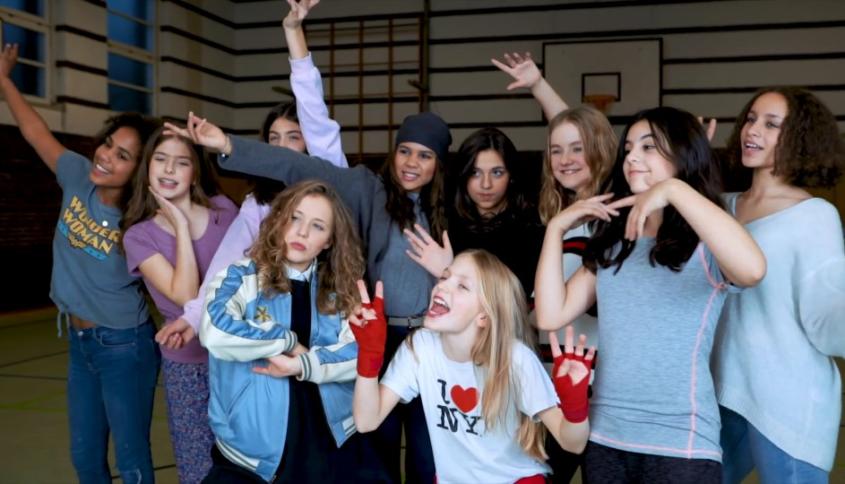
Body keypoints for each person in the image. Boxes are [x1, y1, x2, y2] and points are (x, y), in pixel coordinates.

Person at [171, 107, 452, 483]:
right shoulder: (367, 189)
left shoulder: (449, 208)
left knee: (429, 453)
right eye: (405, 151)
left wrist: (448, 270)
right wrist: (227, 144)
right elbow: (298, 165)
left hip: (429, 341)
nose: (412, 162)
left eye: (424, 155)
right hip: (378, 331)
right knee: (378, 442)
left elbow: (481, 278)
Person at [535, 106, 766, 483]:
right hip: (605, 438)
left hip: (681, 443)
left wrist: (673, 189)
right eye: (628, 149)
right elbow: (550, 314)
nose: (631, 158)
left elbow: (753, 270)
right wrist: (556, 229)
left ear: (683, 155)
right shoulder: (612, 243)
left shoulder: (705, 241)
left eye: (648, 147)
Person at [0, 43, 161, 483]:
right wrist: (4, 81)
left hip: (124, 345)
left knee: (131, 461)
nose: (105, 156)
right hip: (80, 341)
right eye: (108, 144)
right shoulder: (76, 176)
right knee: (86, 459)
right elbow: (35, 131)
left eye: (122, 156)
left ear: (139, 171)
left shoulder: (143, 222)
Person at [155, 0, 348, 352]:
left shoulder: (332, 177)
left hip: (328, 327)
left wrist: (293, 33)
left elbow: (315, 112)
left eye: (293, 137)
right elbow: (225, 262)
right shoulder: (259, 204)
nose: (282, 147)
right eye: (274, 139)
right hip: (276, 329)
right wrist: (193, 318)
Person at [351, 249, 595, 484]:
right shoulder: (420, 346)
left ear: (483, 316)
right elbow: (366, 421)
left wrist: (574, 405)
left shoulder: (516, 360)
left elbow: (573, 444)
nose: (442, 286)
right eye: (445, 277)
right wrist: (369, 356)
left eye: (462, 286)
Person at [712, 87, 845, 483]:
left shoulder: (815, 216)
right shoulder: (719, 208)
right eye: (751, 119)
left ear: (799, 139)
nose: (752, 130)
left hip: (789, 396)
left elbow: (827, 319)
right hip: (722, 390)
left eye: (772, 125)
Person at [199, 180, 366, 483]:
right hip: (248, 457)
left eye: (317, 226)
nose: (302, 232)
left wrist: (303, 364)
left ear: (329, 241)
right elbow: (214, 330)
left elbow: (361, 355)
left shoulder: (343, 292)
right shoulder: (240, 276)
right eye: (295, 218)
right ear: (277, 220)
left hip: (327, 445)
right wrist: (286, 341)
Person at [121, 128, 237, 483]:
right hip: (187, 364)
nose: (169, 169)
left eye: (181, 162)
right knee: (197, 464)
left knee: (244, 460)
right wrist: (181, 227)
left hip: (237, 357)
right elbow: (187, 296)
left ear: (195, 173)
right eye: (161, 159)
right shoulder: (139, 235)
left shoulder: (224, 212)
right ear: (148, 167)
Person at [403, 127, 545, 298]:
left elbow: (516, 299)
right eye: (475, 173)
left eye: (497, 173)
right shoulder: (447, 222)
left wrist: (448, 272)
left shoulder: (532, 228)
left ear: (511, 176)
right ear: (463, 176)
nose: (486, 184)